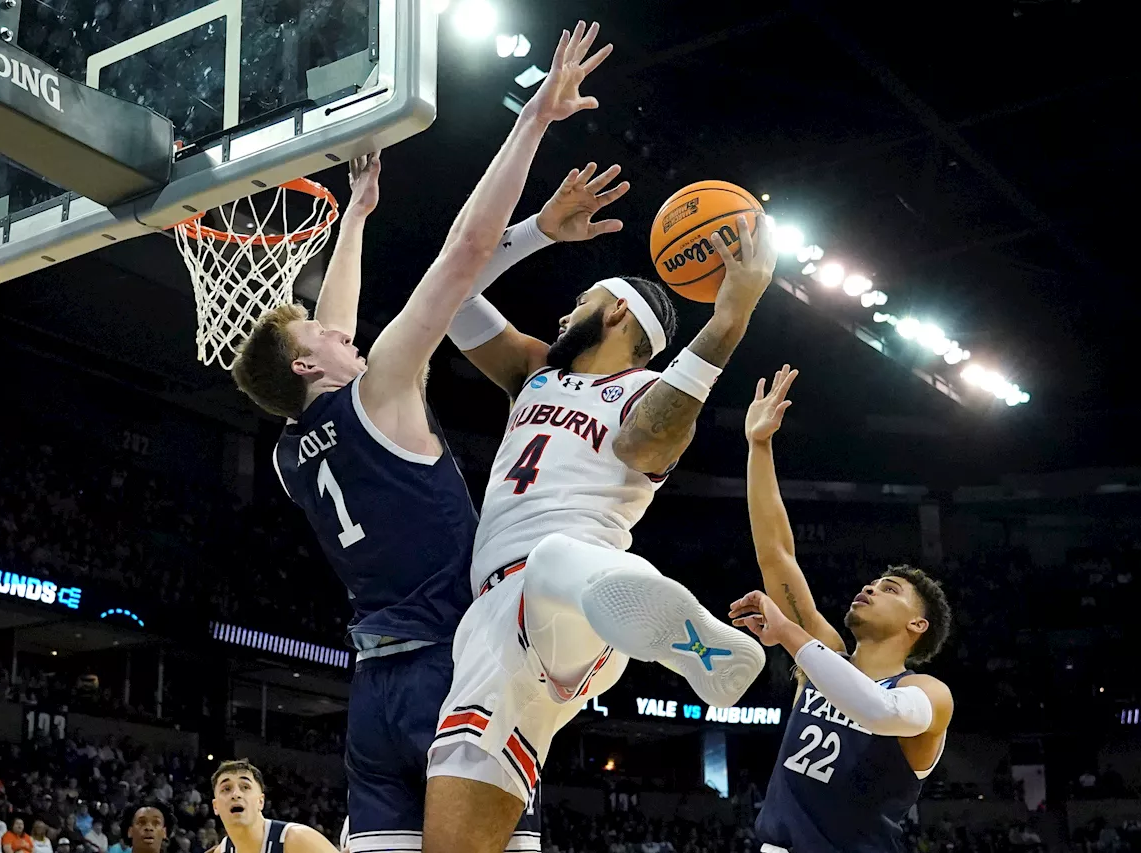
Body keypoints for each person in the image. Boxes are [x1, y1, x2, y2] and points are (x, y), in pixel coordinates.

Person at [228, 20, 621, 853]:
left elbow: (327, 326)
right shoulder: (381, 391)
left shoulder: (291, 451)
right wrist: (535, 121)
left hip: (374, 692)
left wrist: (358, 221)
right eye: (326, 339)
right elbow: (465, 250)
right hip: (461, 669)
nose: (346, 334)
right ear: (307, 368)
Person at [422, 32, 777, 853]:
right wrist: (539, 232)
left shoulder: (648, 395)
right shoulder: (532, 376)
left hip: (572, 596)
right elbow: (450, 283)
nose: (558, 313)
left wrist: (730, 319)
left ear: (616, 311)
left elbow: (651, 443)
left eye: (578, 297)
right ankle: (663, 620)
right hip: (493, 621)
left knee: (554, 560)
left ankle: (682, 632)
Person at [728, 365, 955, 853]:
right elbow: (777, 553)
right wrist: (759, 447)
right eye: (872, 582)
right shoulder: (823, 658)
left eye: (890, 589)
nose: (870, 588)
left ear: (919, 624)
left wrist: (788, 633)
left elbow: (876, 710)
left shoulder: (927, 693)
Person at [208, 761, 335, 853]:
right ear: (215, 806)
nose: (236, 794)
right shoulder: (221, 851)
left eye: (245, 787)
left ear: (261, 801)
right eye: (226, 789)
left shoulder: (296, 839)